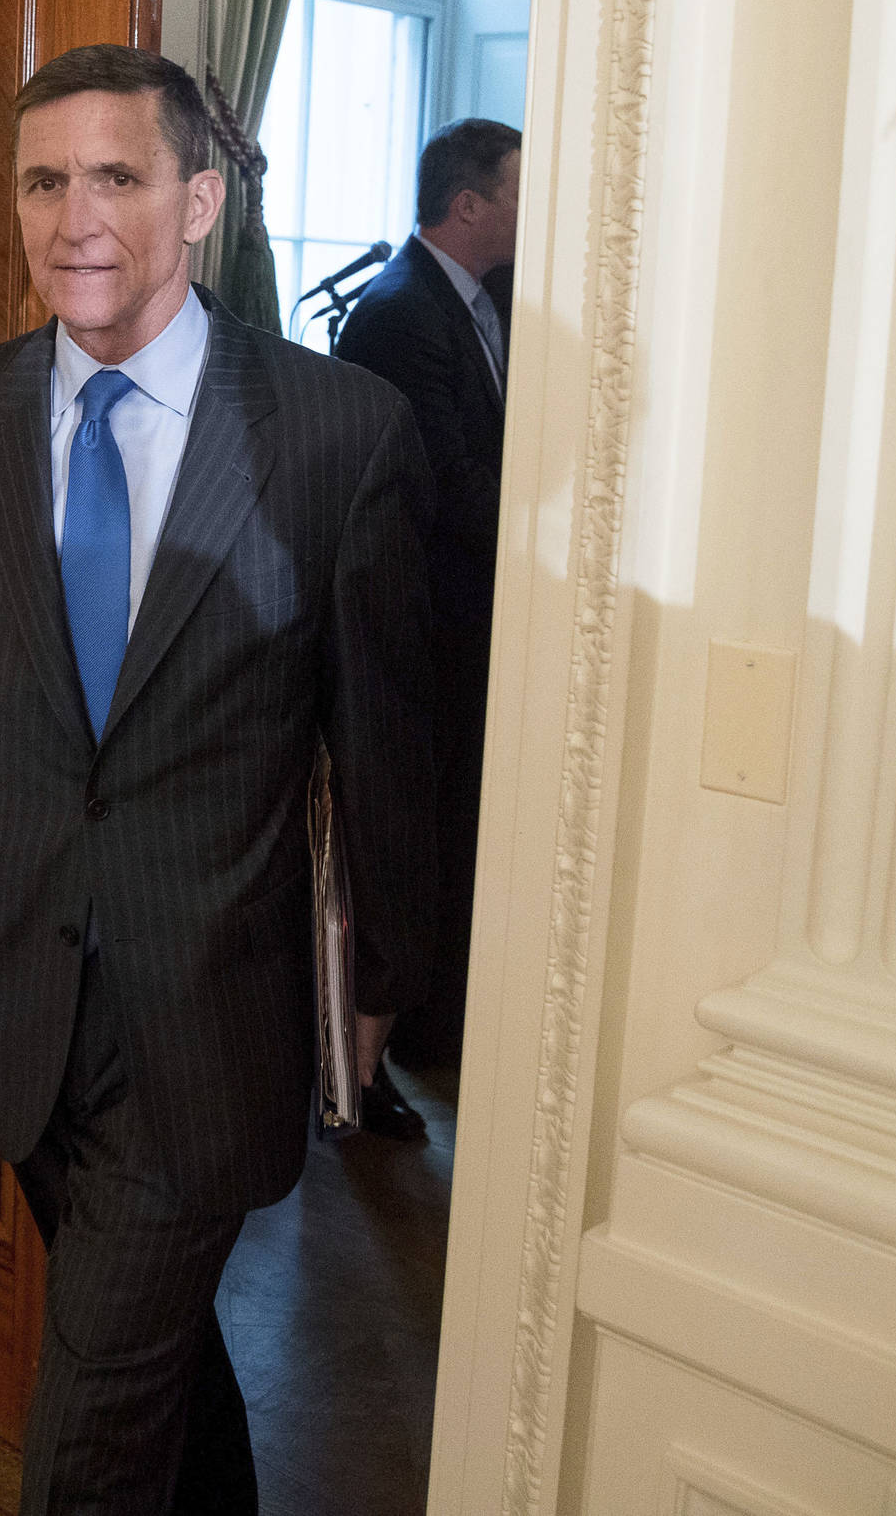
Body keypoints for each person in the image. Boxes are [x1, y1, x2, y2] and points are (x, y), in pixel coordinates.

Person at [0, 44, 437, 1514]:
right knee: (146, 1359)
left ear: (199, 198)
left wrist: (390, 975)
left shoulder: (336, 433)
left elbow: (385, 740)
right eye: (43, 178)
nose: (74, 216)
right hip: (20, 1014)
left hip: (211, 1023)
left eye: (118, 176)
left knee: (85, 1436)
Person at [335, 118, 521, 1108]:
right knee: (414, 835)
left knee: (459, 820)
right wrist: (552, 544)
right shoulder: (400, 313)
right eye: (517, 190)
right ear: (467, 204)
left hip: (473, 619)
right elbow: (442, 489)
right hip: (417, 621)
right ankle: (390, 1047)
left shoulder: (488, 299)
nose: (531, 209)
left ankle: (438, 1022)